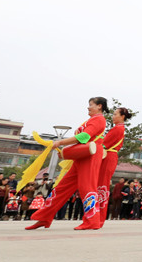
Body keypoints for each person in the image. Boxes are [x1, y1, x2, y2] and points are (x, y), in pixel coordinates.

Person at [25, 97, 108, 231]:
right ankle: (44, 218)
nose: (88, 107)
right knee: (62, 186)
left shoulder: (99, 119)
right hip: (82, 154)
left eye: (91, 105)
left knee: (86, 186)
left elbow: (84, 137)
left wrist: (60, 142)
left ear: (99, 106)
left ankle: (92, 221)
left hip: (91, 154)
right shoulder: (91, 120)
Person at [94, 106, 130, 228]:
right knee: (101, 186)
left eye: (115, 114)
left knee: (101, 186)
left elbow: (103, 144)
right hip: (109, 156)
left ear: (122, 116)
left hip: (108, 156)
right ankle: (98, 217)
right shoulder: (118, 128)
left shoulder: (117, 129)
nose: (113, 116)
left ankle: (99, 218)